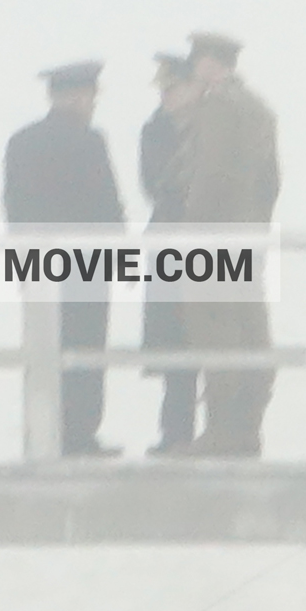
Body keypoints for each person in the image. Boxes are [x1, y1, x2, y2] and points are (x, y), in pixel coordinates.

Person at [3, 60, 125, 457]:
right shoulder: (90, 142)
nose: (91, 104)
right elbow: (108, 209)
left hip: (38, 268)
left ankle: (41, 433)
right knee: (86, 352)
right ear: (77, 96)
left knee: (41, 353)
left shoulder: (21, 141)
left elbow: (15, 208)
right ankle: (79, 437)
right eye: (89, 96)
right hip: (87, 268)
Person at [176, 30, 281, 455]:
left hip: (214, 235)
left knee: (216, 332)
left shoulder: (217, 105)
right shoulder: (259, 107)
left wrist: (191, 230)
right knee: (251, 332)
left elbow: (211, 174)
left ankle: (220, 433)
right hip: (249, 233)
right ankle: (248, 430)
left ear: (208, 64)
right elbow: (272, 180)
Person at [139, 51, 202, 454]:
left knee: (211, 339)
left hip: (207, 241)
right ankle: (175, 433)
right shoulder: (155, 130)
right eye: (162, 89)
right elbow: (155, 183)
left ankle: (213, 432)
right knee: (173, 343)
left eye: (172, 88)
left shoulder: (214, 126)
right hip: (168, 240)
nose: (165, 96)